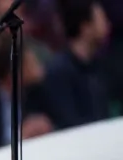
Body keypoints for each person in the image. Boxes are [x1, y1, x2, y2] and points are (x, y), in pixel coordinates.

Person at [44, 0, 112, 130]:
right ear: (85, 27)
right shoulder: (58, 73)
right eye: (101, 19)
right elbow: (68, 122)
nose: (107, 24)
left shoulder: (100, 66)